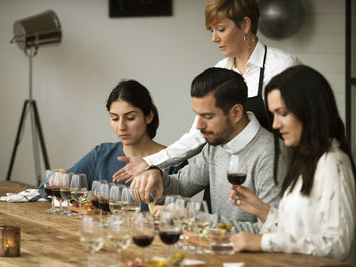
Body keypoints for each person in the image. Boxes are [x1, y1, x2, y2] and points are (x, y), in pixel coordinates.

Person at [113, 0, 300, 184]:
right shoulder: (221, 70)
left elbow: (300, 131)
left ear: (245, 24)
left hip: (270, 177)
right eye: (212, 31)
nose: (214, 38)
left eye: (221, 29)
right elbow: (197, 135)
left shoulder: (281, 67)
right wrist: (149, 162)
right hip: (225, 180)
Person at [129, 67, 288, 233]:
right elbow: (182, 187)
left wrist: (194, 219)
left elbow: (269, 232)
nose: (199, 126)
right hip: (217, 251)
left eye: (208, 116)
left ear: (236, 112)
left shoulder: (271, 155)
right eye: (197, 115)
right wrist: (157, 176)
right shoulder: (217, 144)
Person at [228, 65, 356, 265]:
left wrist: (264, 242)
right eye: (273, 114)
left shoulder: (333, 162)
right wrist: (262, 210)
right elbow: (301, 230)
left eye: (283, 113)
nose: (276, 124)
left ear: (309, 110)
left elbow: (338, 243)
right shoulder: (307, 161)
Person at [39, 80, 186, 206]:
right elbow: (44, 190)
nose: (121, 127)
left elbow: (177, 216)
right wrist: (57, 178)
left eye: (130, 118)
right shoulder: (102, 154)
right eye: (115, 118)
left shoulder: (174, 162)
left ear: (149, 116)